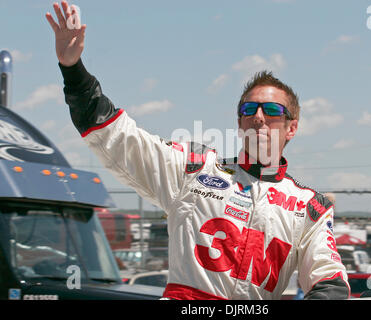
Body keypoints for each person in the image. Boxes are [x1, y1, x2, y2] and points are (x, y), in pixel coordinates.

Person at [46, 1, 350, 300]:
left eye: (271, 110)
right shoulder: (195, 168)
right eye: (249, 109)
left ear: (291, 127)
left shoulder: (310, 208)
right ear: (239, 121)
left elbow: (330, 284)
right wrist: (73, 70)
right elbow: (117, 137)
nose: (258, 117)